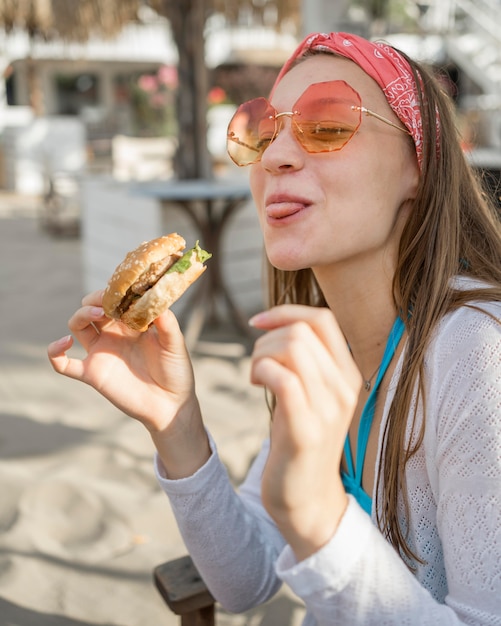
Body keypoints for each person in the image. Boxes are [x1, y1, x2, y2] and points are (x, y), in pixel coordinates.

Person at [48, 31, 501, 624]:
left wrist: (318, 517)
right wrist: (176, 422)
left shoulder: (478, 352)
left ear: (420, 163)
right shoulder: (326, 345)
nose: (276, 155)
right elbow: (245, 581)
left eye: (329, 122)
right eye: (262, 131)